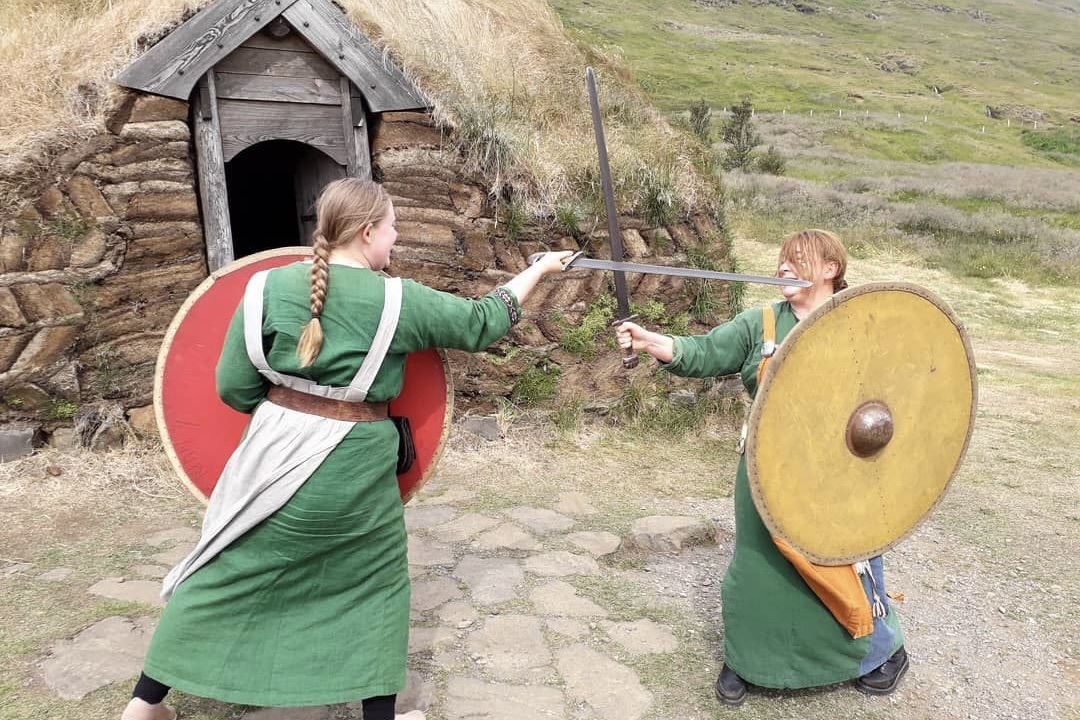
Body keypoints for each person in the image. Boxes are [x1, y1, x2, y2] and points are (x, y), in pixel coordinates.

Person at [121, 178, 573, 720]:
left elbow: (233, 389)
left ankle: (144, 707)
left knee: (224, 566)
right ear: (366, 231)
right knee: (373, 583)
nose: (396, 239)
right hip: (353, 466)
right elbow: (482, 322)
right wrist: (540, 269)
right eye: (392, 228)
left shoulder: (264, 287)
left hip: (270, 458)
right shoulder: (401, 300)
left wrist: (291, 407)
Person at [615, 229, 907, 706]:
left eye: (796, 261)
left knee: (845, 563)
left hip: (840, 474)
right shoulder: (763, 324)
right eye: (780, 262)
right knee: (759, 566)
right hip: (766, 471)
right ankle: (749, 659)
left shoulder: (863, 322)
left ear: (831, 268)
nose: (782, 270)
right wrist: (652, 342)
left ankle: (878, 654)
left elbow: (902, 394)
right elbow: (704, 352)